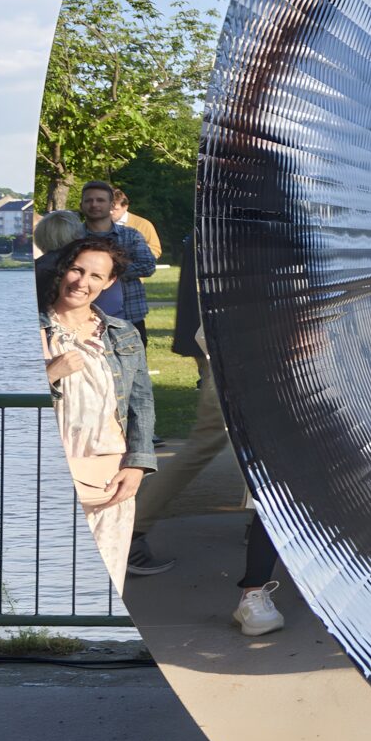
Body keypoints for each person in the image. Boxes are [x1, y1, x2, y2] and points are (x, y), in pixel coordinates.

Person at [130, 228, 285, 633]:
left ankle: (138, 526)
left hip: (241, 361)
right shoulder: (234, 242)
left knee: (232, 454)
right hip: (241, 366)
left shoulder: (231, 237)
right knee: (212, 449)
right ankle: (135, 526)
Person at [39, 236, 157, 591]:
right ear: (63, 271)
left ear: (108, 283)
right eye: (77, 270)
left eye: (95, 275)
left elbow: (142, 406)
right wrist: (50, 373)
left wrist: (138, 465)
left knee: (105, 578)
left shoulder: (123, 334)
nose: (82, 282)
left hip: (111, 477)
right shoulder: (34, 330)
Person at [74, 180, 157, 343]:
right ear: (81, 205)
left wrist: (107, 272)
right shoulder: (72, 237)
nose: (94, 204)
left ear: (112, 205)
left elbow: (148, 266)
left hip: (129, 318)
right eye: (89, 200)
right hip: (83, 320)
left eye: (100, 200)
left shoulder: (130, 235)